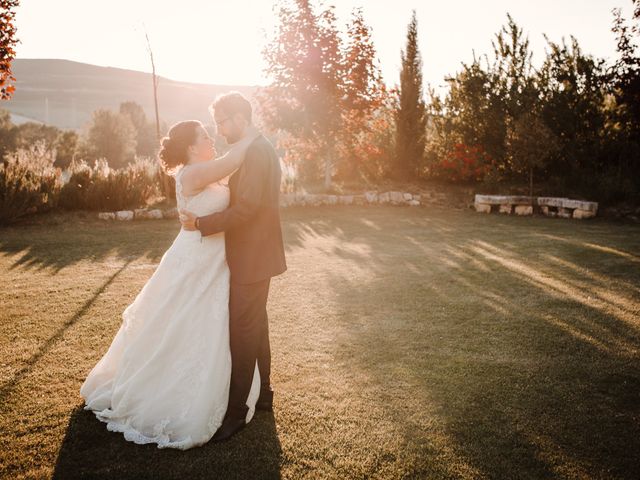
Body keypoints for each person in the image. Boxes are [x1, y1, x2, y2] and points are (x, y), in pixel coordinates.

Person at [80, 117, 263, 449]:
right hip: (196, 260)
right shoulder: (192, 173)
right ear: (192, 147)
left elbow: (231, 177)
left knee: (206, 322)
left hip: (213, 259)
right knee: (184, 320)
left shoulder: (205, 171)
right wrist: (250, 136)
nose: (211, 140)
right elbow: (233, 160)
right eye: (205, 137)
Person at [179, 92, 287, 442]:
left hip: (252, 256)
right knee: (256, 326)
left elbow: (248, 208)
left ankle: (237, 412)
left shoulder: (257, 152)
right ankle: (266, 394)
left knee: (243, 332)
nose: (220, 130)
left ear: (239, 118)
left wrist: (202, 224)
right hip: (257, 254)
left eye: (222, 122)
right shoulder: (258, 148)